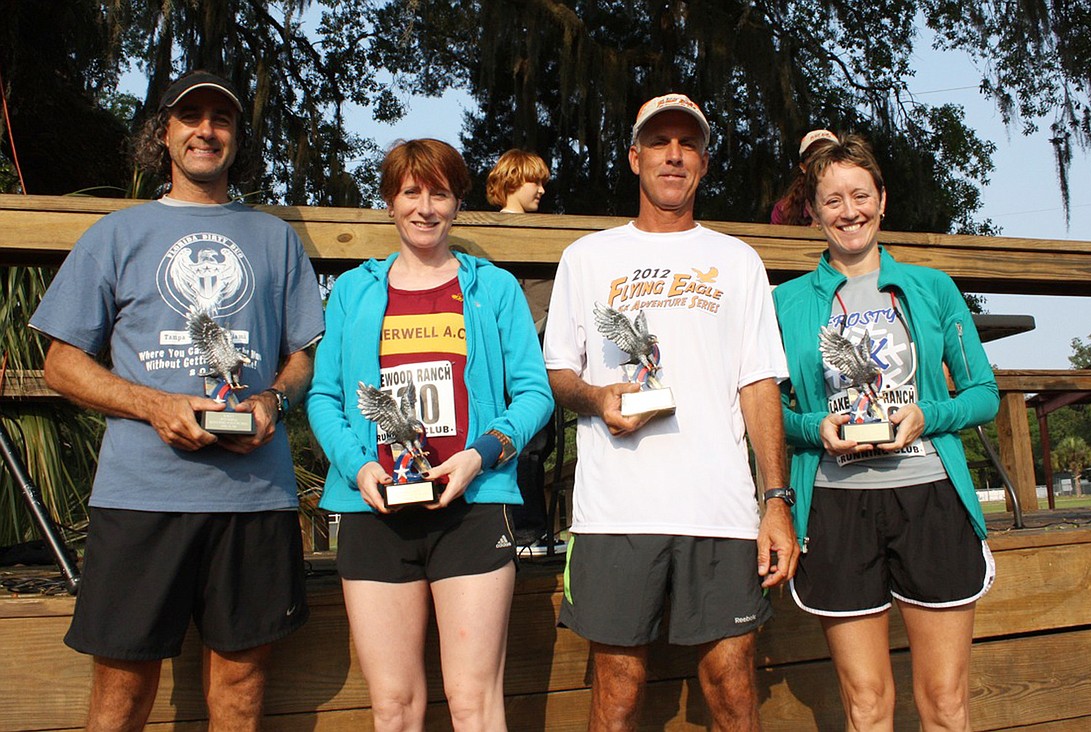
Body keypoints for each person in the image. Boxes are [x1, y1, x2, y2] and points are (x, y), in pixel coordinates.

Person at [29, 70, 325, 729]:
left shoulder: (275, 238)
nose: (206, 130)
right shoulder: (117, 233)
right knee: (122, 690)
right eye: (190, 116)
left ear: (237, 139)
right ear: (162, 133)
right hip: (141, 497)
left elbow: (303, 354)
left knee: (242, 687)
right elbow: (61, 364)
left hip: (253, 497)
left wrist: (276, 400)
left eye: (221, 119)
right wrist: (153, 404)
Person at [542, 93, 798, 730]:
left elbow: (760, 385)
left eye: (689, 144)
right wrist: (599, 399)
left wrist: (776, 501)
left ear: (704, 165)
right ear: (635, 158)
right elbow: (557, 375)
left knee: (733, 688)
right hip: (615, 512)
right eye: (660, 142)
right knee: (618, 692)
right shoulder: (587, 257)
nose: (674, 155)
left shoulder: (737, 260)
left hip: (721, 509)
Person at [306, 138, 553, 731]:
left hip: (471, 508)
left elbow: (535, 394)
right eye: (410, 192)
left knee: (473, 702)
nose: (424, 207)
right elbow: (324, 396)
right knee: (394, 707)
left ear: (458, 203)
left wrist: (479, 456)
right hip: (374, 510)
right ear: (390, 201)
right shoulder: (352, 292)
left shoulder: (492, 289)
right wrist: (356, 468)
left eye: (439, 193)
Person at [772, 133, 998, 731]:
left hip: (931, 498)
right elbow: (767, 416)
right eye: (833, 200)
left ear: (882, 199)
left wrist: (929, 414)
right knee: (867, 703)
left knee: (946, 701)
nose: (849, 212)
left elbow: (982, 394)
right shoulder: (786, 302)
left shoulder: (933, 287)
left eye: (860, 195)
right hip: (836, 506)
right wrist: (816, 428)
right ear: (814, 212)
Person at [486, 148, 559, 554]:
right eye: (536, 181)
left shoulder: (543, 235)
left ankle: (529, 531)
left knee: (540, 443)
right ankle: (524, 533)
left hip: (539, 351)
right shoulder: (491, 237)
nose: (542, 190)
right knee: (525, 444)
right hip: (512, 358)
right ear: (514, 180)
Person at [770, 128, 838, 226]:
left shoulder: (857, 203)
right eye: (813, 154)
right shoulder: (783, 209)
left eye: (829, 152)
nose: (821, 158)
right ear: (803, 167)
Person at [486, 148, 550, 214]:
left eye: (542, 184)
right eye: (536, 182)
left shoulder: (533, 223)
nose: (542, 191)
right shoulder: (494, 222)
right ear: (513, 179)